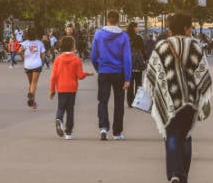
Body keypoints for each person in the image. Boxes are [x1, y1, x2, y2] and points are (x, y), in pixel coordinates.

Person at [143, 12, 212, 183]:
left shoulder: (162, 47)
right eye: (190, 27)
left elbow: (153, 73)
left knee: (171, 134)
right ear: (187, 28)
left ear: (171, 28)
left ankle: (174, 173)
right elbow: (202, 73)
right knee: (186, 135)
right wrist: (203, 96)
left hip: (169, 99)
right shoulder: (196, 46)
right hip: (190, 100)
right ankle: (184, 178)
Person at [91, 9, 132, 141]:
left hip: (104, 71)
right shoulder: (124, 36)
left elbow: (93, 55)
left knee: (102, 100)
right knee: (119, 102)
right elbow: (127, 58)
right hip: (119, 72)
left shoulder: (98, 34)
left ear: (107, 19)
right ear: (118, 20)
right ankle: (117, 132)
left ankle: (103, 127)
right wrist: (127, 78)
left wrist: (99, 68)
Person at [49, 36, 91, 140]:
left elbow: (53, 76)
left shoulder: (58, 59)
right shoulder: (76, 60)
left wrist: (52, 90)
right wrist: (87, 74)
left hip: (61, 87)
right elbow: (80, 76)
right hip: (72, 88)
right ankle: (68, 132)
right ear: (73, 46)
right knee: (70, 109)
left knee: (61, 107)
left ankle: (59, 119)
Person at [20, 29, 46, 109]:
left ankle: (33, 102)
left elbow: (19, 51)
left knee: (31, 83)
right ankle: (31, 94)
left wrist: (23, 58)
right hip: (36, 64)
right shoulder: (39, 43)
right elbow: (43, 55)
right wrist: (42, 62)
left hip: (27, 65)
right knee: (34, 83)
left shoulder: (25, 43)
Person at [126, 22, 147, 108]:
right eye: (137, 27)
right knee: (139, 82)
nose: (138, 28)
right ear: (134, 28)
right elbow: (143, 49)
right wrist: (145, 59)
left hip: (129, 63)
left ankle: (130, 101)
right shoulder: (138, 37)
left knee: (130, 83)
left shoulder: (126, 37)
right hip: (138, 62)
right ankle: (138, 102)